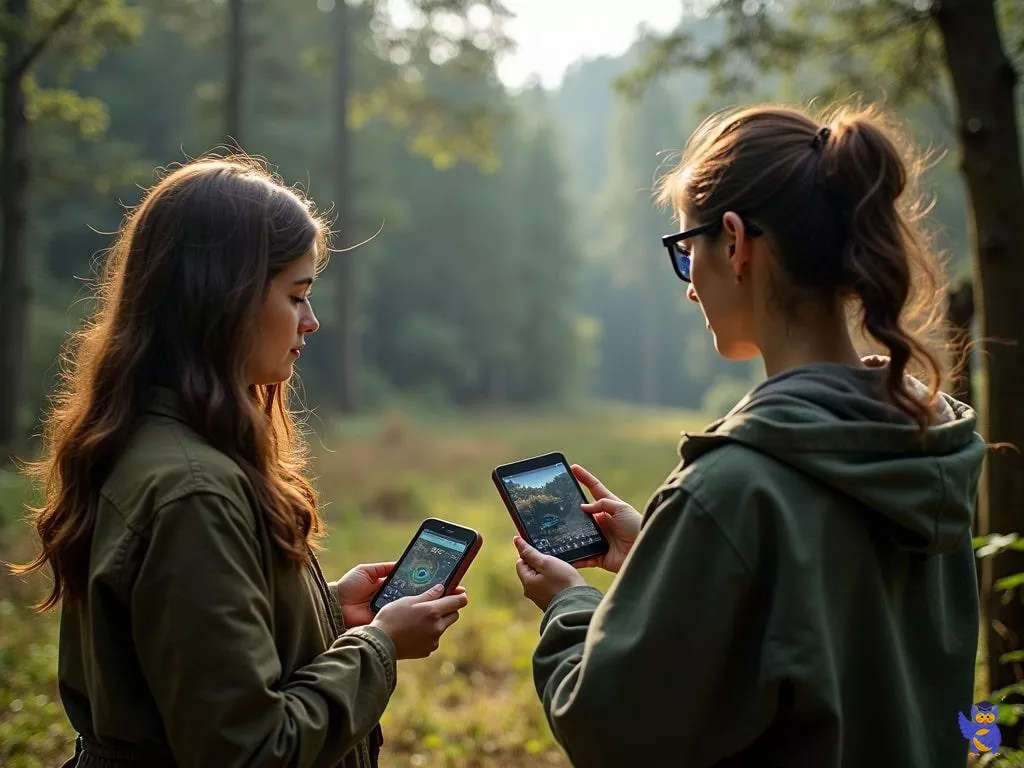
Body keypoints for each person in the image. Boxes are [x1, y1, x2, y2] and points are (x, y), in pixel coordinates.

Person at [512, 104, 985, 767]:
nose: (689, 289)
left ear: (734, 243)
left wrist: (570, 605)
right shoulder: (927, 441)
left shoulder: (733, 489)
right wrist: (662, 558)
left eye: (686, 253)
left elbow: (610, 730)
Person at [12, 157, 468, 768]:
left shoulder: (150, 442)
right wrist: (379, 646)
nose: (311, 321)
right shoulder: (194, 493)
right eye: (296, 296)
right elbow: (250, 749)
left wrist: (329, 611)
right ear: (222, 300)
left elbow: (193, 652)